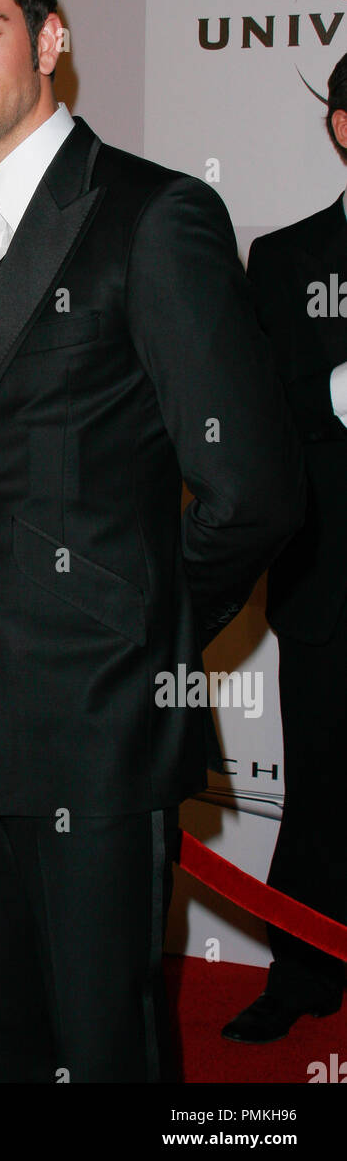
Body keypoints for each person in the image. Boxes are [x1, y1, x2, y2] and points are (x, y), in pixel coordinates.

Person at [0, 0, 305, 1082]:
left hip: (93, 726)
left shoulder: (152, 215)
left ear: (49, 37)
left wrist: (136, 640)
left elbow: (254, 490)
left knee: (100, 1049)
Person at [222, 53, 347, 1043]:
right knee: (318, 787)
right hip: (331, 584)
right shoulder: (286, 260)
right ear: (340, 126)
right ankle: (302, 970)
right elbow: (254, 416)